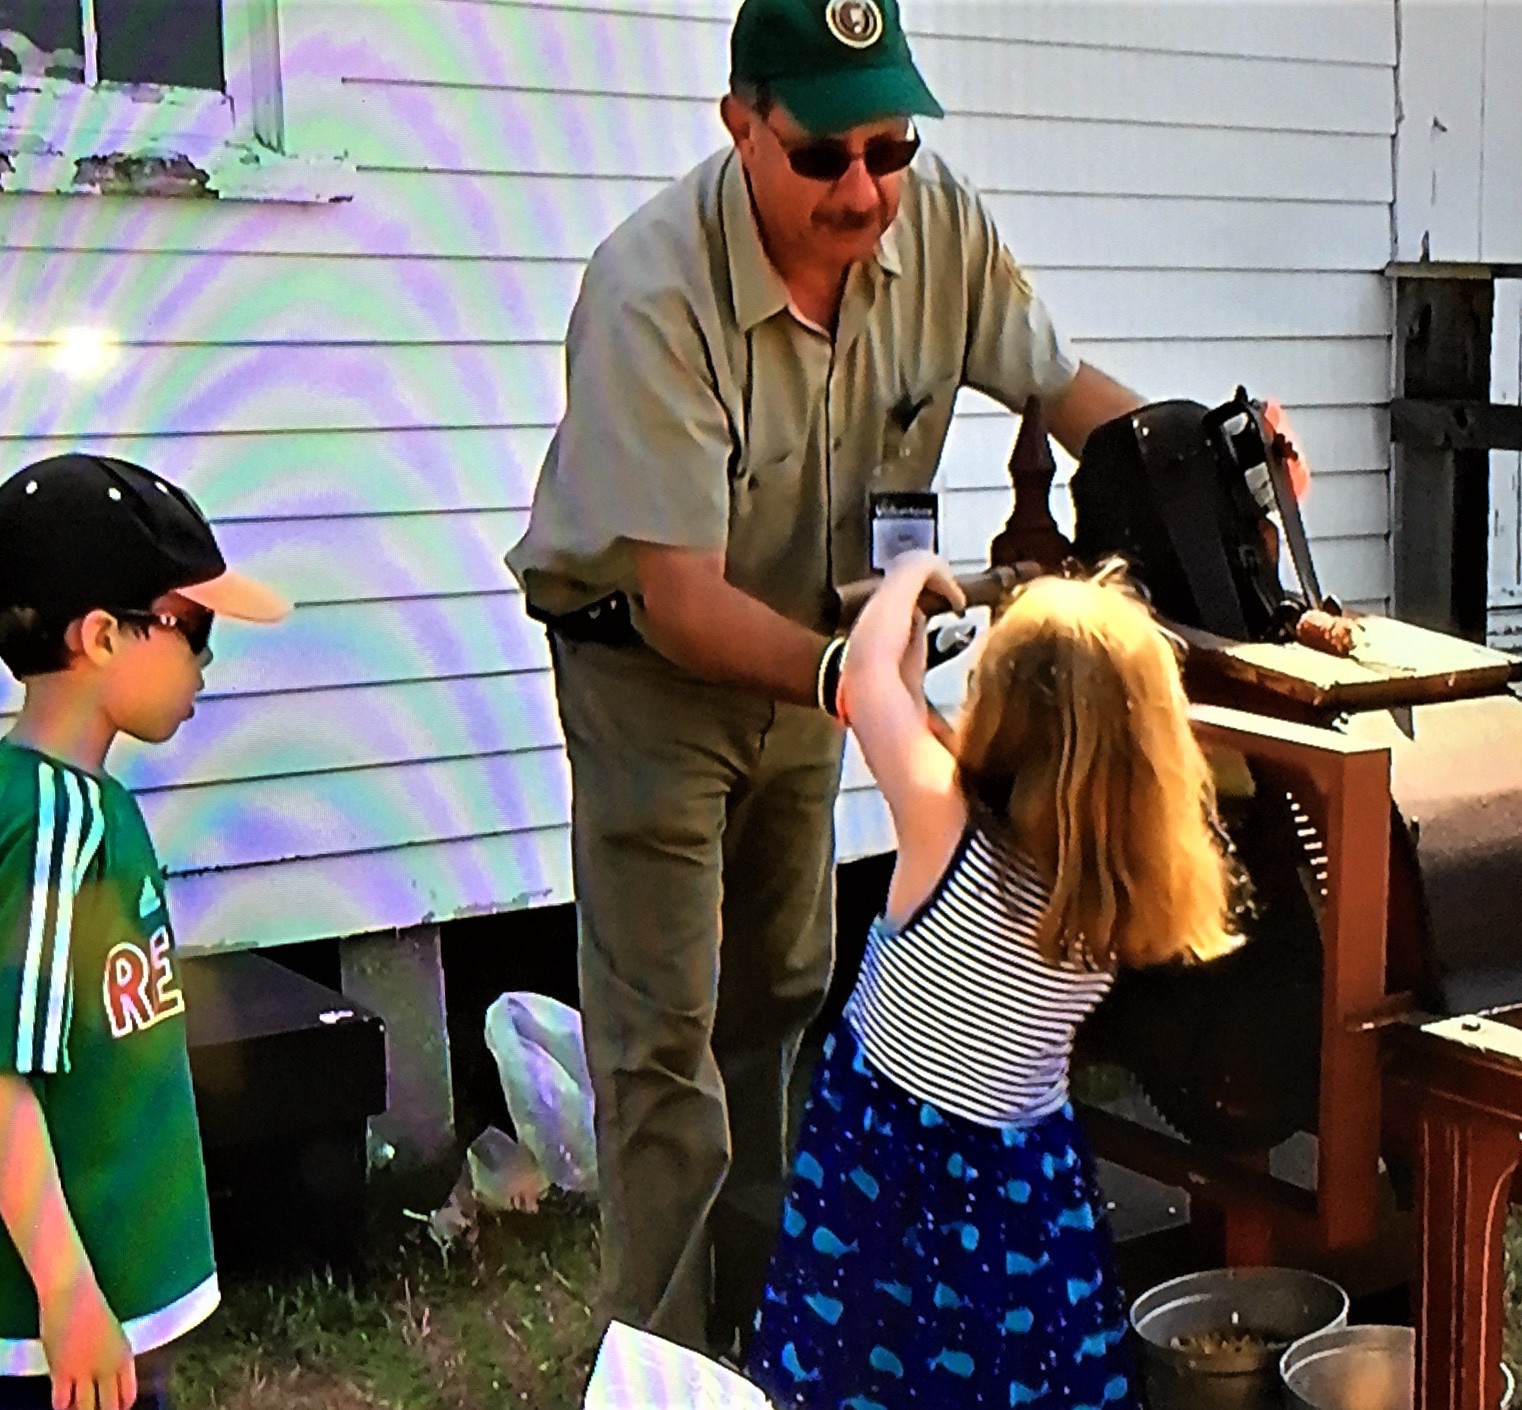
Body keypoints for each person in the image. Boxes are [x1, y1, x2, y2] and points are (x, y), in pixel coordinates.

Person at [503, 0, 1150, 1355]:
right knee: (664, 1047)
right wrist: (862, 684)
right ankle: (668, 1372)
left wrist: (1201, 455)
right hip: (654, 682)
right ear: (741, 123)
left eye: (890, 146)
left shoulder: (936, 221)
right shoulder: (649, 292)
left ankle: (771, 1338)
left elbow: (1057, 383)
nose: (863, 188)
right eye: (821, 157)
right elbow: (681, 604)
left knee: (783, 1000)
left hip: (816, 668)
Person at [742, 551, 1240, 1410]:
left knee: (865, 1358)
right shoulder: (1113, 887)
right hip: (1018, 1176)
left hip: (889, 1158)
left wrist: (903, 578)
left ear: (1004, 713)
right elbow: (909, 714)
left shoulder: (941, 824)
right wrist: (915, 663)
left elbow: (862, 681)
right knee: (1014, 1371)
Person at [0, 453, 289, 1410]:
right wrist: (66, 1292)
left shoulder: (68, 800)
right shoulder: (55, 822)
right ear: (101, 636)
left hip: (107, 1302)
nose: (206, 661)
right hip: (68, 1329)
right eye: (195, 628)